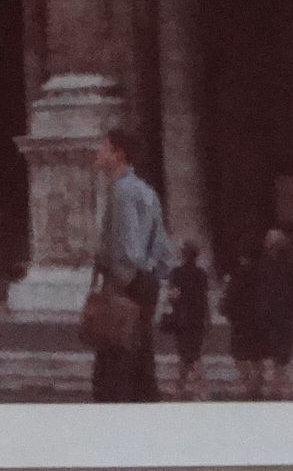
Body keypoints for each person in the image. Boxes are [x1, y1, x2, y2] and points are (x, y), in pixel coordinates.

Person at [90, 127, 176, 403]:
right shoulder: (145, 190)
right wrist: (156, 273)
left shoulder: (121, 191)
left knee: (114, 363)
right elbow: (161, 243)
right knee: (141, 356)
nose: (98, 152)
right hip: (146, 280)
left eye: (104, 147)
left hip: (128, 282)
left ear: (118, 154)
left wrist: (120, 282)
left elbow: (127, 248)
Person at [251, 228, 293, 400]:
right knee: (279, 351)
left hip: (274, 312)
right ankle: (278, 385)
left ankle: (276, 385)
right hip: (279, 312)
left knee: (277, 350)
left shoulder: (266, 263)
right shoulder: (286, 262)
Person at [163, 241, 212, 400]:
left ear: (184, 254)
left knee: (188, 354)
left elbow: (173, 296)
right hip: (197, 317)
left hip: (181, 318)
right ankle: (183, 386)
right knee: (190, 353)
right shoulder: (201, 274)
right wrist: (208, 317)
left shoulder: (176, 273)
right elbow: (205, 298)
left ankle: (199, 386)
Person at [222, 237, 268, 399]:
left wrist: (226, 310)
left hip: (241, 320)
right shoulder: (263, 273)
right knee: (257, 354)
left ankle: (247, 383)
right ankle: (258, 381)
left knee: (240, 354)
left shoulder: (239, 274)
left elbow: (231, 296)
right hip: (259, 318)